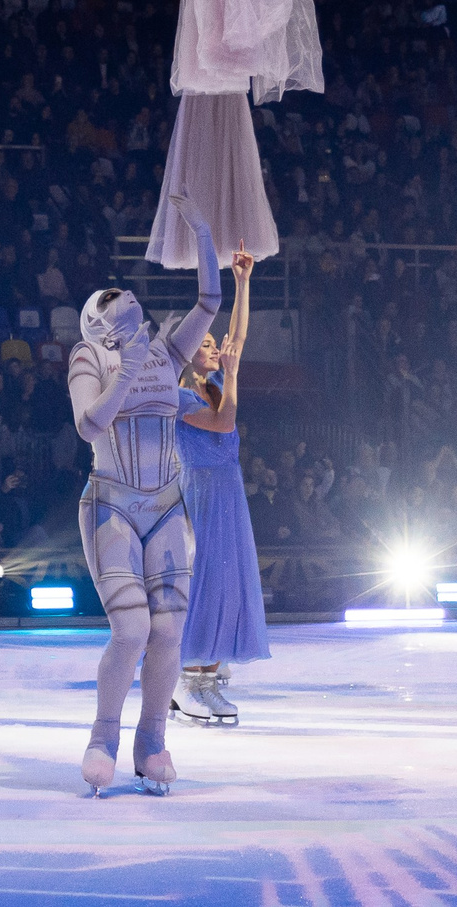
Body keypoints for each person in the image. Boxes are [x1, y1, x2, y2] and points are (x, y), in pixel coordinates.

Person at [67, 193, 219, 796]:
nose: (130, 309)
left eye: (128, 302)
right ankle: (103, 735)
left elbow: (209, 301)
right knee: (130, 630)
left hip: (167, 503)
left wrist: (202, 233)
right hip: (111, 505)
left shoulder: (164, 353)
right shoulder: (89, 359)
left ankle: (151, 738)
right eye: (116, 309)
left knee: (169, 630)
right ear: (99, 324)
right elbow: (88, 426)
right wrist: (124, 369)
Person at [173, 247, 268, 726]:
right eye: (206, 342)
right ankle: (188, 679)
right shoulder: (179, 395)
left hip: (228, 489)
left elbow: (239, 337)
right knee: (207, 580)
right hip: (203, 492)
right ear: (186, 349)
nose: (216, 347)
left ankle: (207, 675)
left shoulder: (211, 380)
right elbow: (225, 421)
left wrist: (242, 282)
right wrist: (230, 376)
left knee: (230, 579)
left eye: (214, 342)